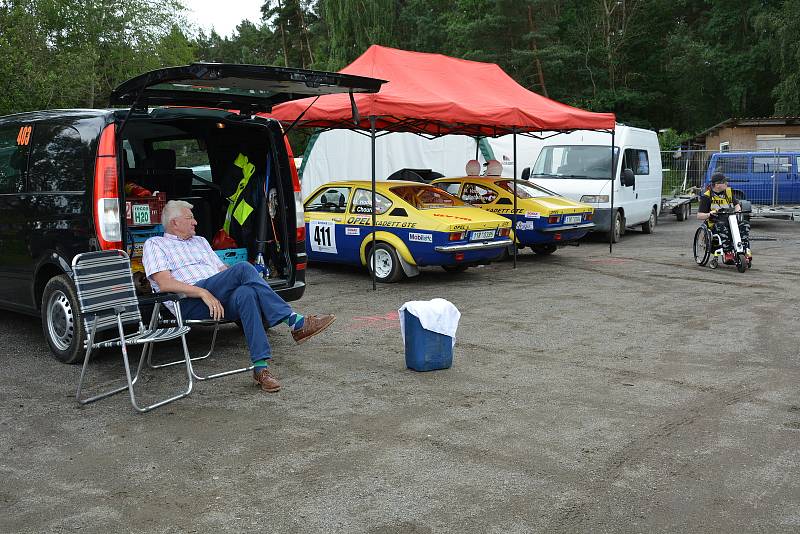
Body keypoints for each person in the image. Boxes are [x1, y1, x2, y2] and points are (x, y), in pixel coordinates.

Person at [142, 200, 335, 393]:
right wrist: (203, 292)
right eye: (190, 218)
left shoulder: (200, 241)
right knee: (243, 267)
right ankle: (295, 322)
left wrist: (243, 279)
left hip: (216, 295)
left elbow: (222, 270)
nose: (195, 222)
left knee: (247, 292)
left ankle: (260, 369)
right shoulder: (155, 244)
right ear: (174, 222)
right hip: (188, 301)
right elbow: (165, 283)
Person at [697, 172, 750, 262]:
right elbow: (699, 216)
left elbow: (737, 205)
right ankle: (727, 252)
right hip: (715, 222)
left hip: (731, 220)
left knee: (744, 225)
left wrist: (738, 210)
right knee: (722, 227)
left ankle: (745, 251)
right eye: (724, 182)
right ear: (717, 185)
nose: (727, 184)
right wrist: (709, 214)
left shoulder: (728, 192)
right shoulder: (707, 196)